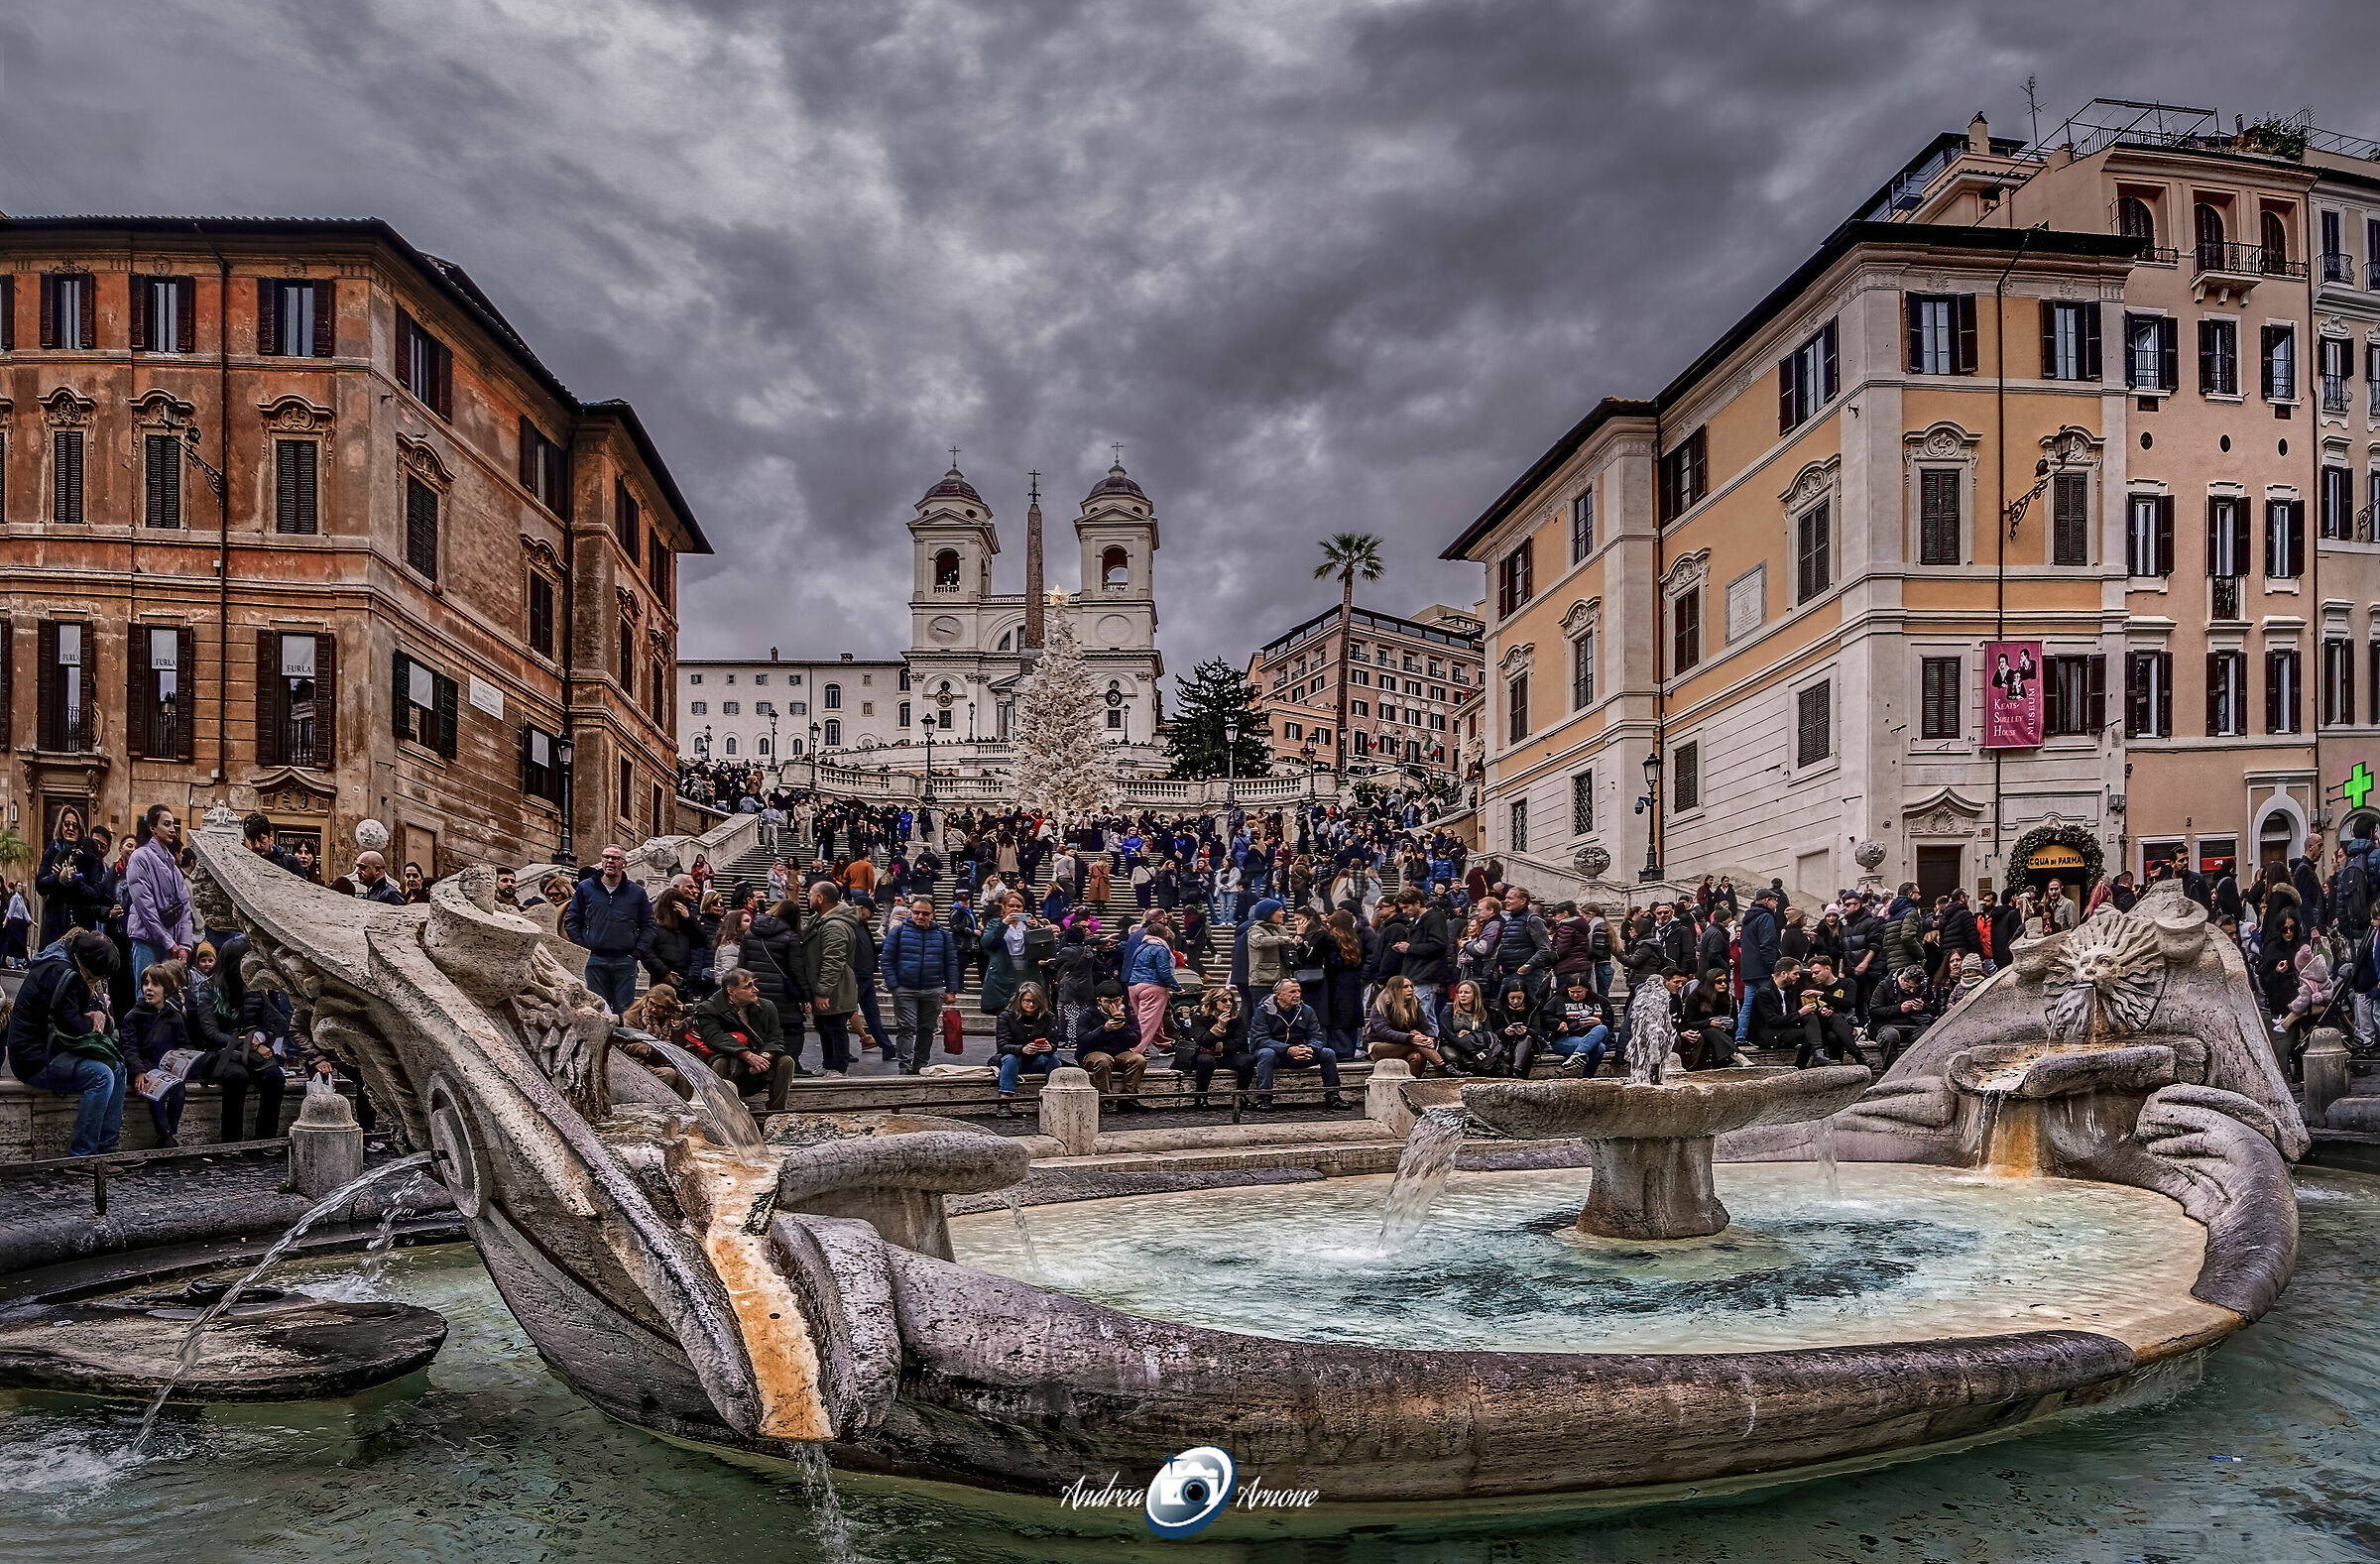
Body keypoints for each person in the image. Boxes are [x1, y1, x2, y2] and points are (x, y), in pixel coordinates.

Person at [6, 929, 126, 1156]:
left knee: (118, 1068)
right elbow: (72, 1026)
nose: (97, 983)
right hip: (36, 1059)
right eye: (98, 978)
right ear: (90, 967)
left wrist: (96, 1016)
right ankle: (82, 1155)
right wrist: (95, 1020)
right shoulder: (64, 975)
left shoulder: (63, 958)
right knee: (102, 1075)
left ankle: (108, 1149)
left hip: (53, 1049)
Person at [189, 934, 291, 1142]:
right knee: (237, 1077)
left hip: (254, 1051)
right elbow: (211, 1032)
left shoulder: (253, 987)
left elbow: (271, 1022)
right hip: (221, 1053)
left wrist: (259, 1038)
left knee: (275, 1078)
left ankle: (265, 1139)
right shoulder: (208, 987)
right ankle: (231, 1141)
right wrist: (247, 1043)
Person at [566, 845, 656, 1017]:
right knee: (597, 1010)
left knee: (625, 1012)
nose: (610, 861)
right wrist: (583, 947)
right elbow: (572, 920)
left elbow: (649, 926)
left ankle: (622, 1044)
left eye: (615, 858)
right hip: (594, 959)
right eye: (606, 856)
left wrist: (636, 953)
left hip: (625, 960)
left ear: (624, 864)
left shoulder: (636, 892)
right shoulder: (586, 888)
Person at [690, 968, 795, 1112]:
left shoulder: (766, 1007)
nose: (755, 990)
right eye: (748, 987)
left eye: (754, 984)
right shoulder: (709, 1009)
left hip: (758, 1060)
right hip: (730, 1059)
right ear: (731, 991)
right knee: (720, 1063)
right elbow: (714, 1037)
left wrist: (763, 1058)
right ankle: (720, 1109)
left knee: (786, 1062)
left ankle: (776, 1111)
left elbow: (775, 1038)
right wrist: (747, 1055)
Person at [120, 957, 197, 1146]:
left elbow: (183, 1043)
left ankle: (170, 1130)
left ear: (165, 989)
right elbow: (128, 1046)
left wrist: (186, 1060)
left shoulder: (174, 1016)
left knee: (178, 1091)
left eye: (155, 984)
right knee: (155, 1092)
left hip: (167, 1068)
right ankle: (164, 1133)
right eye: (146, 984)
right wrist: (138, 1070)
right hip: (146, 1067)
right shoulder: (134, 1016)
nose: (149, 988)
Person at [882, 895, 960, 1074]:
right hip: (905, 988)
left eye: (925, 913)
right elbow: (887, 959)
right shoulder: (898, 932)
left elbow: (951, 963)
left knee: (927, 1028)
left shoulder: (942, 935)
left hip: (932, 987)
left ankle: (920, 1063)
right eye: (916, 912)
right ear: (910, 911)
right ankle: (905, 1064)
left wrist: (951, 990)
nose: (920, 916)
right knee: (906, 1027)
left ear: (933, 914)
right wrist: (894, 985)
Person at [123, 804, 196, 989]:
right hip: (147, 940)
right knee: (147, 997)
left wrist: (185, 946)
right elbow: (145, 908)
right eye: (166, 824)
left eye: (173, 824)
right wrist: (171, 944)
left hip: (171, 945)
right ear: (153, 828)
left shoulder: (171, 862)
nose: (172, 829)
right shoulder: (140, 857)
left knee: (169, 999)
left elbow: (185, 907)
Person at [1248, 977, 1347, 1110]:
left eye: (1299, 991)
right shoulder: (1263, 1011)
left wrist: (1309, 1049)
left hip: (1300, 1052)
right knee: (1266, 1054)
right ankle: (1264, 1098)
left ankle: (1333, 1096)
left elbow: (1316, 1036)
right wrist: (1287, 1049)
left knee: (1328, 1054)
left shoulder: (1307, 1010)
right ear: (1279, 995)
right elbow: (1260, 1039)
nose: (1297, 995)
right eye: (1292, 992)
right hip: (1276, 1053)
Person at [797, 879, 863, 1075]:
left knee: (835, 1027)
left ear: (820, 898)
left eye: (809, 895)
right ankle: (828, 1063)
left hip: (837, 989)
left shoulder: (834, 926)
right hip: (831, 987)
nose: (807, 899)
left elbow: (833, 961)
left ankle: (839, 1067)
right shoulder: (821, 920)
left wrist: (823, 991)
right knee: (824, 1026)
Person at [1174, 984, 1255, 1106]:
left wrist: (1221, 1048)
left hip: (1227, 1055)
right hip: (1203, 1055)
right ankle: (1201, 1096)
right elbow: (1203, 1041)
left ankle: (1241, 1095)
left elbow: (1240, 1041)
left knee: (1248, 1060)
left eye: (1230, 1000)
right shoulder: (1199, 1018)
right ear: (1214, 1002)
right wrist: (1219, 1027)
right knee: (1206, 1060)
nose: (1228, 1003)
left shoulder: (1236, 1019)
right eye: (1223, 1000)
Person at [35, 805, 104, 947]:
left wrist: (75, 882)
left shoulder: (89, 857)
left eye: (75, 826)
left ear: (80, 830)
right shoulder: (52, 850)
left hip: (81, 926)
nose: (70, 828)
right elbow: (40, 885)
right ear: (61, 827)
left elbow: (96, 893)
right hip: (54, 924)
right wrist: (58, 878)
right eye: (67, 824)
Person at [1073, 981, 1148, 1110]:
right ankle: (1105, 1099)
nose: (1113, 1005)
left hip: (1119, 1053)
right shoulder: (1087, 1015)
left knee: (1138, 1059)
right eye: (1108, 1001)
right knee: (1103, 1060)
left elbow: (1136, 1040)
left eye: (1117, 1000)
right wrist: (1104, 1029)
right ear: (1099, 1001)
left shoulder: (1129, 1016)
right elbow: (1082, 1040)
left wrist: (1122, 1026)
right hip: (1092, 1054)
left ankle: (1128, 1098)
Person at [994, 982, 1060, 1115]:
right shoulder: (1006, 1017)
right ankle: (1004, 1102)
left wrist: (1049, 1047)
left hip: (1037, 1058)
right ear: (1020, 1000)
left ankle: (1056, 1097)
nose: (1030, 1005)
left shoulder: (1048, 1017)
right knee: (1010, 1059)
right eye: (1027, 1001)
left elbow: (1054, 1041)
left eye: (1034, 1001)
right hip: (1015, 1058)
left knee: (1054, 1059)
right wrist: (1022, 1049)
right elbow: (1002, 1045)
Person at [1362, 974, 1446, 1074]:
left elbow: (1425, 1026)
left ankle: (1412, 1085)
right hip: (1380, 1046)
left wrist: (1430, 1038)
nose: (1410, 989)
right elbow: (1384, 1032)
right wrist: (1410, 1038)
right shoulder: (1380, 1006)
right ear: (1395, 990)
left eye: (1411, 986)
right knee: (1415, 1045)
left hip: (1407, 1044)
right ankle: (1443, 1066)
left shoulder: (1414, 1005)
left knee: (1417, 1057)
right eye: (1405, 987)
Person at [1124, 913, 1180, 1056]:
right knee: (1147, 1022)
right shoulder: (1160, 948)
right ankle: (1135, 1049)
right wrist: (1176, 986)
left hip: (1134, 985)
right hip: (1153, 986)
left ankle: (1163, 1045)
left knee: (1150, 1019)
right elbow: (1164, 971)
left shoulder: (1141, 947)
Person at [1866, 966, 1938, 1066]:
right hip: (1887, 1025)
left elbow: (1935, 1009)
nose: (1912, 991)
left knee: (1929, 1032)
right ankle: (1890, 1069)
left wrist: (1923, 1007)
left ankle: (1919, 1066)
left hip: (1913, 1025)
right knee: (1891, 1035)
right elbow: (1874, 1012)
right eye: (1909, 987)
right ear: (1903, 979)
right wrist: (1899, 1009)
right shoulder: (1885, 986)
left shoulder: (1923, 987)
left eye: (1915, 988)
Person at [1545, 971, 1609, 1076]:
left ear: (1587, 989)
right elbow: (1545, 1016)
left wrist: (1599, 1021)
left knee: (1602, 1029)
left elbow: (1609, 1023)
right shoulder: (1558, 1000)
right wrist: (1558, 1024)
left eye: (1579, 992)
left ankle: (1578, 1055)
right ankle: (1587, 1074)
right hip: (1565, 1039)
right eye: (1572, 992)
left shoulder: (1599, 1001)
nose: (1575, 995)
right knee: (1599, 1048)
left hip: (1593, 1037)